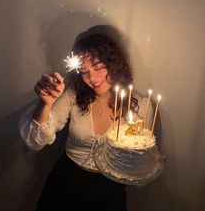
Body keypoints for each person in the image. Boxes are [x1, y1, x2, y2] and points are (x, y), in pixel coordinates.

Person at [19, 31, 140, 211]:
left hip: (109, 191)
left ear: (113, 63)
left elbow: (138, 158)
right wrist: (45, 104)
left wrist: (146, 160)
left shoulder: (137, 105)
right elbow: (37, 141)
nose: (92, 78)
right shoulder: (74, 95)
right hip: (66, 182)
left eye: (98, 66)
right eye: (84, 71)